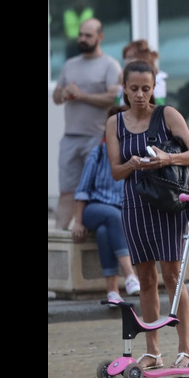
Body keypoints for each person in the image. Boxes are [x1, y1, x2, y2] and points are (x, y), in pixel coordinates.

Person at [106, 59, 189, 369]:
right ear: (123, 88)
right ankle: (152, 351)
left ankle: (185, 348)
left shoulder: (167, 115)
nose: (139, 95)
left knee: (173, 276)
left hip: (167, 205)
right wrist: (132, 164)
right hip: (134, 206)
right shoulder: (115, 124)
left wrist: (164, 158)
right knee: (146, 280)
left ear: (154, 88)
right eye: (133, 88)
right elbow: (116, 173)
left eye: (146, 89)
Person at [52, 18, 123, 230]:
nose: (82, 39)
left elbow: (113, 99)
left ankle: (94, 237)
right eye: (81, 35)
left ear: (100, 37)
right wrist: (63, 93)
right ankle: (59, 240)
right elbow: (56, 96)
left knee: (93, 192)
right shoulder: (70, 64)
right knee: (67, 192)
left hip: (97, 138)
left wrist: (82, 95)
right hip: (71, 137)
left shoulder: (110, 65)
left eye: (88, 35)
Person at [71, 105, 141, 303]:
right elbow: (82, 190)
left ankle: (112, 291)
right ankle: (129, 274)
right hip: (95, 209)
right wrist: (77, 221)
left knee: (104, 231)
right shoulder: (99, 153)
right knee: (111, 216)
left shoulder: (135, 155)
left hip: (121, 213)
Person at [116, 39, 167, 106]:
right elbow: (118, 104)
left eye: (130, 57)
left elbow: (157, 106)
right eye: (125, 58)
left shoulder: (158, 81)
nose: (126, 61)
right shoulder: (124, 78)